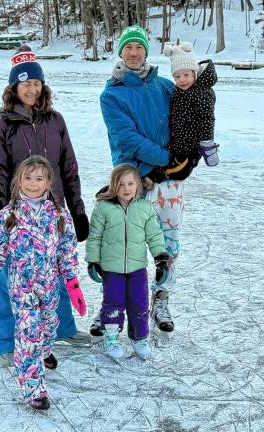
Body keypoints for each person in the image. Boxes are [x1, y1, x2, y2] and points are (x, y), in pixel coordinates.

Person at [0, 44, 91, 362]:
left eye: (36, 82)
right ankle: (5, 343)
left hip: (53, 211)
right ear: (14, 87)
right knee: (7, 278)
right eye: (24, 82)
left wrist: (78, 209)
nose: (31, 88)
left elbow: (68, 167)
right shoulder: (3, 124)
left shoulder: (55, 120)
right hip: (18, 214)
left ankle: (63, 329)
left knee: (57, 271)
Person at [0, 156, 87, 410]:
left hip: (50, 286)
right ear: (18, 180)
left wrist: (73, 285)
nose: (33, 183)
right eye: (27, 178)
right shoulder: (10, 214)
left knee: (48, 327)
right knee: (28, 334)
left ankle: (44, 352)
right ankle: (34, 388)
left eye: (39, 178)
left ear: (48, 182)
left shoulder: (58, 214)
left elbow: (66, 252)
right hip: (22, 289)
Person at [96, 25, 184, 335]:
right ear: (120, 52)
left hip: (168, 182)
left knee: (168, 240)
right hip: (131, 180)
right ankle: (112, 302)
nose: (134, 53)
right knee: (123, 242)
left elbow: (185, 122)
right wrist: (164, 160)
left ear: (146, 51)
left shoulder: (164, 87)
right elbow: (128, 138)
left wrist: (184, 160)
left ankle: (161, 297)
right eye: (128, 47)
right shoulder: (111, 95)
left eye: (139, 47)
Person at [86, 164, 170, 360]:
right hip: (111, 268)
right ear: (113, 185)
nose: (126, 188)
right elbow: (95, 237)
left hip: (137, 268)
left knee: (139, 303)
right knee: (113, 303)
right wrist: (93, 260)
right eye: (121, 184)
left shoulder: (144, 207)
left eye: (131, 183)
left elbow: (154, 235)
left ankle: (139, 337)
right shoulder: (103, 208)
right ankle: (112, 337)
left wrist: (161, 257)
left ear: (138, 185)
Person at [145, 41, 219, 185]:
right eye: (177, 77)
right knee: (167, 163)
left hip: (190, 146)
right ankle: (151, 178)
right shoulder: (180, 91)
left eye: (186, 75)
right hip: (177, 142)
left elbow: (207, 119)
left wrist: (207, 142)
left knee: (180, 171)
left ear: (195, 73)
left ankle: (152, 180)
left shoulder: (202, 93)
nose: (182, 80)